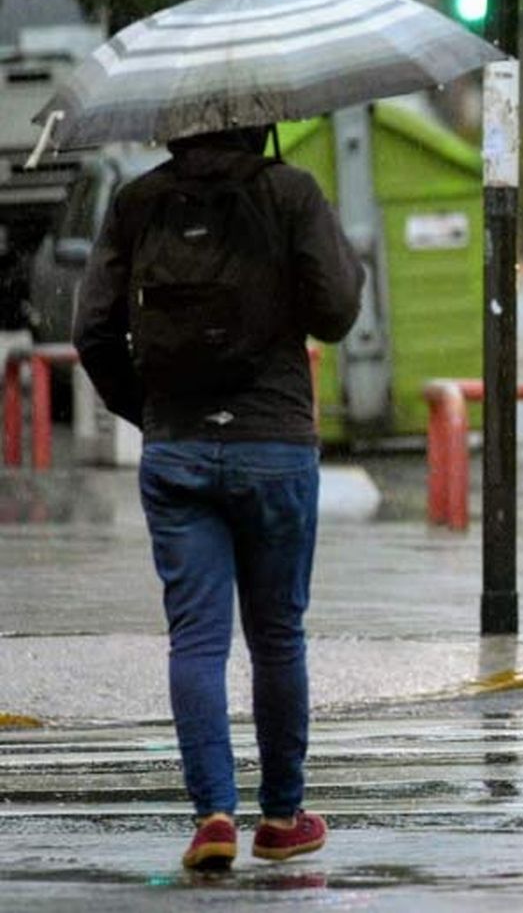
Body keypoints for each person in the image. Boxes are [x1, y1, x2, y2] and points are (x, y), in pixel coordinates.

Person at [73, 124, 364, 869]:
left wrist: (153, 413)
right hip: (274, 447)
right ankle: (282, 815)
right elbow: (335, 312)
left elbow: (93, 330)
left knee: (196, 641)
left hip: (177, 450)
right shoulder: (290, 191)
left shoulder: (139, 202)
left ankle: (212, 814)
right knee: (276, 637)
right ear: (256, 118)